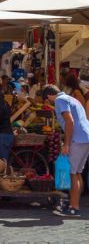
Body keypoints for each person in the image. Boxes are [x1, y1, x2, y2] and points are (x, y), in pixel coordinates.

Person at [41, 85, 89, 217]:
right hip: (85, 137)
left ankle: (74, 207)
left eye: (47, 100)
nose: (49, 103)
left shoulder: (59, 100)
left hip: (77, 139)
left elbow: (69, 121)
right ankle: (74, 203)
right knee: (78, 173)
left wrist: (66, 144)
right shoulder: (71, 98)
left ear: (49, 96)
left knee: (73, 173)